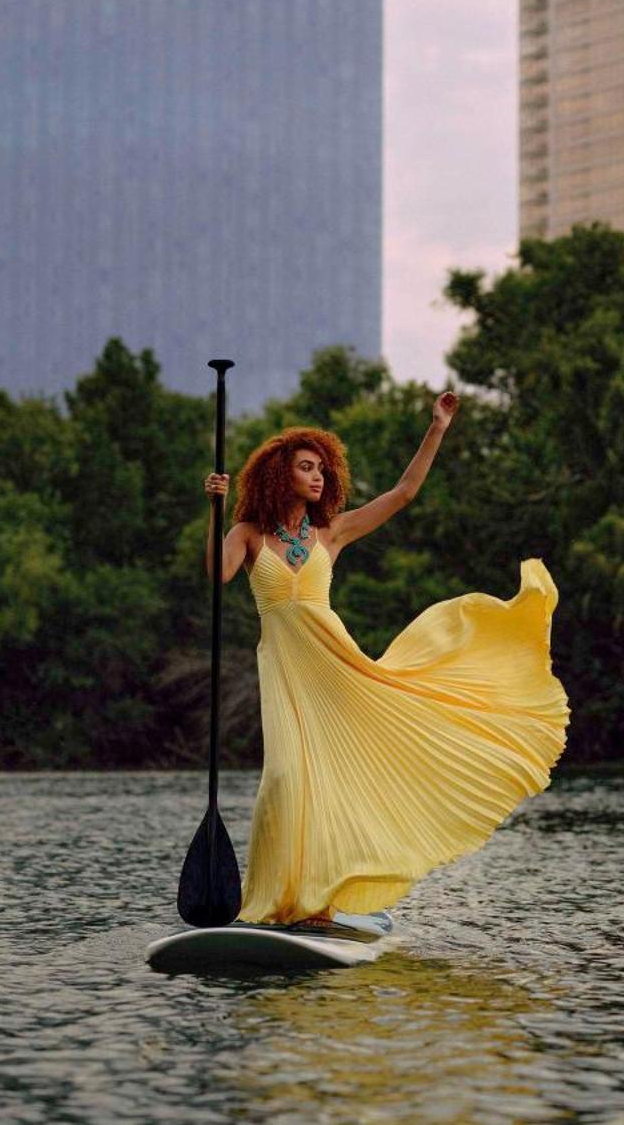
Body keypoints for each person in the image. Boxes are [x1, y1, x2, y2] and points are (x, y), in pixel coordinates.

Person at [203, 391, 569, 927]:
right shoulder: (249, 535)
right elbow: (218, 574)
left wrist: (437, 428)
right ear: (280, 475)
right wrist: (215, 510)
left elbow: (402, 493)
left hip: (337, 667)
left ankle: (317, 905)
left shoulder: (333, 531)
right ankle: (274, 904)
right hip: (284, 668)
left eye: (322, 468)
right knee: (284, 780)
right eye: (307, 467)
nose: (318, 476)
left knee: (328, 780)